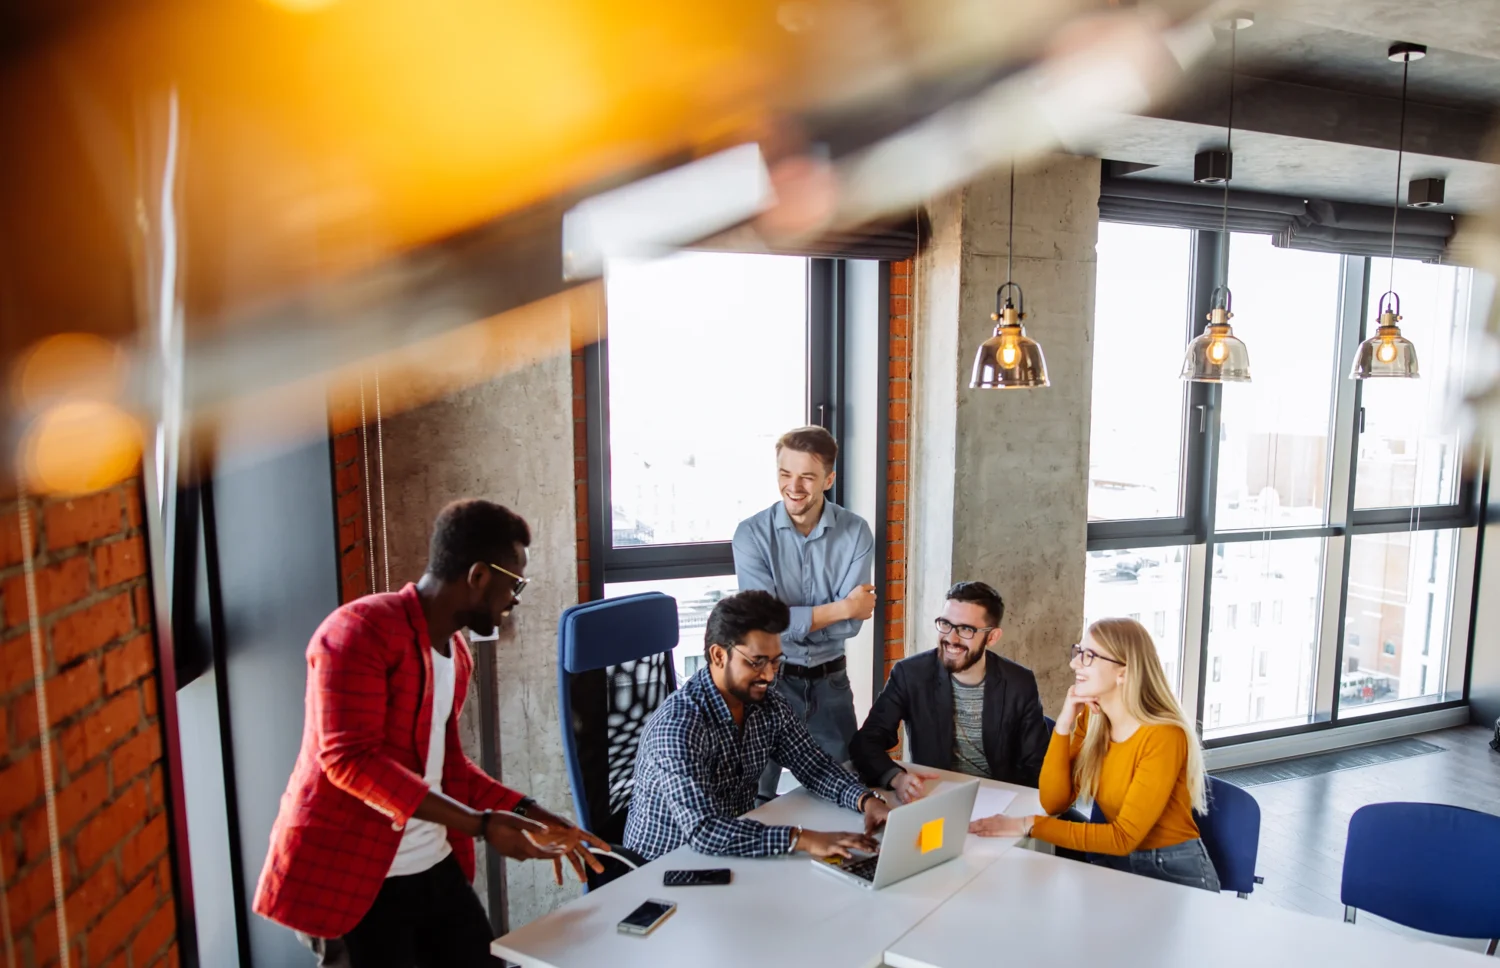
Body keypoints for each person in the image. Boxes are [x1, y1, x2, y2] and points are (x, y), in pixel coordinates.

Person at [253, 500, 609, 967]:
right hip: (354, 879)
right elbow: (348, 760)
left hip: (432, 866)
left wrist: (534, 813)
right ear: (479, 576)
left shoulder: (454, 653)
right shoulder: (358, 630)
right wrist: (483, 825)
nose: (516, 599)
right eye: (514, 583)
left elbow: (449, 768)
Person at [623, 590, 890, 861]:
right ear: (718, 656)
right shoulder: (678, 727)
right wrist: (802, 839)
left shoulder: (768, 705)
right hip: (663, 868)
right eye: (756, 662)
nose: (770, 675)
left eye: (775, 661)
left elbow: (814, 766)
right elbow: (704, 831)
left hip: (732, 851)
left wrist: (866, 801)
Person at [969, 617, 1220, 893]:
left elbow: (1123, 837)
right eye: (1078, 652)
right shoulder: (1093, 718)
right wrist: (1064, 725)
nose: (1074, 663)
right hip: (1117, 863)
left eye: (1089, 656)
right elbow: (1054, 802)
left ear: (1123, 672)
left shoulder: (1163, 736)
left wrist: (1026, 824)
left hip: (1172, 871)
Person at [732, 426, 876, 802]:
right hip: (768, 683)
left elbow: (852, 625)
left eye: (807, 477)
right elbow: (765, 624)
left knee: (846, 789)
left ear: (828, 479)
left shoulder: (857, 532)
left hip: (831, 685)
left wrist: (799, 618)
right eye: (785, 474)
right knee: (755, 798)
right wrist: (842, 607)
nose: (793, 487)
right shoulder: (751, 535)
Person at [849, 581, 1049, 801]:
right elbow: (866, 742)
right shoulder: (911, 674)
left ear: (992, 637)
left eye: (966, 629)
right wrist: (897, 778)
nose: (951, 638)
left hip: (999, 800)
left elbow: (1037, 767)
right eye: (945, 624)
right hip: (935, 796)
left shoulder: (1019, 682)